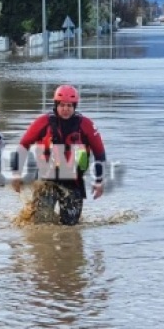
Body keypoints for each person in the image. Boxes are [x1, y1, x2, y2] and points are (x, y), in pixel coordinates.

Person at [12, 84, 106, 226]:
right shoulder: (42, 123)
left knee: (71, 226)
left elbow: (100, 153)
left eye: (69, 105)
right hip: (46, 180)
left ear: (75, 106)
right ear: (56, 104)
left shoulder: (86, 125)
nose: (65, 109)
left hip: (73, 182)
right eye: (62, 105)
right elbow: (23, 145)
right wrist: (16, 173)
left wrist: (99, 181)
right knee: (40, 223)